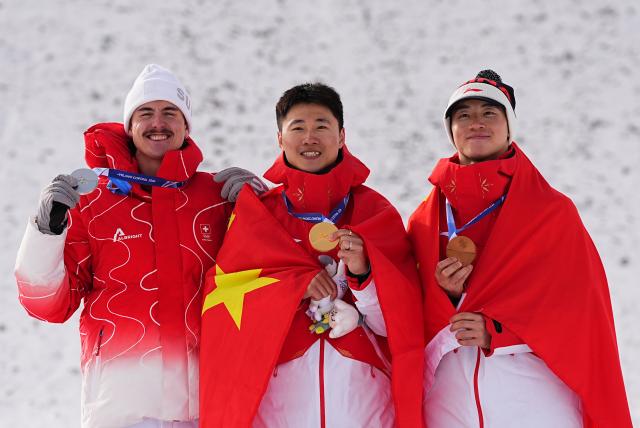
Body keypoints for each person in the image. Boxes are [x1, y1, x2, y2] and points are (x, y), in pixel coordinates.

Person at [14, 64, 266, 428]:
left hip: (211, 406)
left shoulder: (216, 199)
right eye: (145, 113)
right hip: (122, 408)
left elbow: (270, 277)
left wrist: (260, 208)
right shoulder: (94, 201)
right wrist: (45, 230)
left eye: (170, 113)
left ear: (186, 126)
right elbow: (47, 304)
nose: (158, 123)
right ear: (130, 127)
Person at [408, 70, 632, 427]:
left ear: (509, 127)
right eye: (463, 115)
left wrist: (498, 331)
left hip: (531, 397)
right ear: (451, 130)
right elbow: (405, 310)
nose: (476, 123)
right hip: (449, 402)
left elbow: (580, 314)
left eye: (489, 113)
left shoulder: (552, 212)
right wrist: (448, 297)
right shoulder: (424, 219)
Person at [199, 83, 424, 427]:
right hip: (281, 399)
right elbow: (222, 303)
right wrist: (293, 289)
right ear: (280, 139)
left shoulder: (375, 212)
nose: (310, 138)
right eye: (298, 128)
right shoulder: (259, 216)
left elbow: (397, 325)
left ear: (342, 135)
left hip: (361, 399)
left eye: (321, 126)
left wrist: (362, 275)